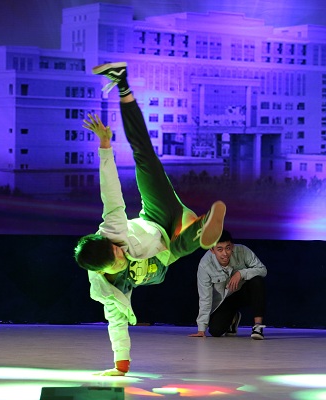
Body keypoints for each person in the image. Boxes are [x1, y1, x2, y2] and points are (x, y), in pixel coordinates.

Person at [74, 62, 226, 376]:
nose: (120, 253)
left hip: (157, 216)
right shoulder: (106, 289)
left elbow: (110, 192)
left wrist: (105, 146)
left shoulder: (112, 231)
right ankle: (202, 228)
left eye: (115, 249)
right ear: (102, 271)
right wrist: (121, 365)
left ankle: (122, 83)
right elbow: (115, 321)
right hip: (166, 253)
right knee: (179, 248)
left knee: (145, 156)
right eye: (116, 259)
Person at [189, 230, 268, 340]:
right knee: (215, 331)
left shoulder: (242, 251)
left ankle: (258, 327)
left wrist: (241, 273)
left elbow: (262, 270)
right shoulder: (205, 265)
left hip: (243, 292)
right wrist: (201, 329)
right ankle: (233, 318)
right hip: (224, 300)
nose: (225, 253)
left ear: (232, 246)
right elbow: (205, 297)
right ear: (212, 250)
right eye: (220, 249)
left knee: (257, 280)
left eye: (228, 248)